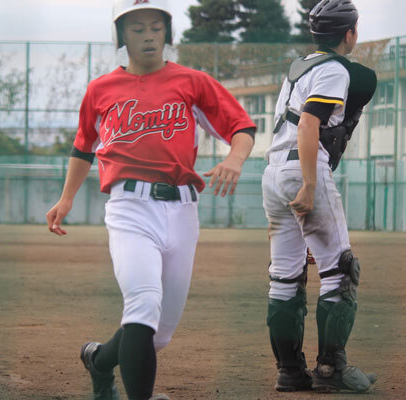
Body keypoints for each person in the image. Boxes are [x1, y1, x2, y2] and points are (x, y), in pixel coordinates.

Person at [45, 1, 256, 398]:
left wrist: (235, 158)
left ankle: (100, 360)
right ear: (122, 36)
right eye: (137, 28)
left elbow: (241, 126)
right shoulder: (101, 89)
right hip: (129, 209)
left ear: (167, 34)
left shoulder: (193, 82)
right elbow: (83, 147)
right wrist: (66, 198)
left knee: (156, 335)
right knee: (142, 304)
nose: (147, 35)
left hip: (182, 211)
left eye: (156, 27)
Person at [261, 0, 377, 393]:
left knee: (284, 276)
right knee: (340, 270)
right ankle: (331, 371)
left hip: (273, 172)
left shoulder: (297, 69)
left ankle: (290, 372)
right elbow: (309, 122)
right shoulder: (332, 70)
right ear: (350, 34)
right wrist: (310, 184)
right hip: (301, 169)